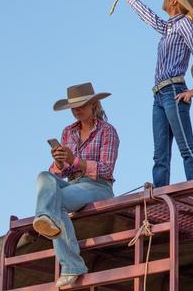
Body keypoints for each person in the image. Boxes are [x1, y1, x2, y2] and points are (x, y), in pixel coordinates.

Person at [116, 0, 193, 190]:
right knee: (160, 152)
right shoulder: (169, 26)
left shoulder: (185, 24)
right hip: (159, 93)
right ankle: (159, 194)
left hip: (174, 90)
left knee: (185, 145)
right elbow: (148, 17)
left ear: (175, 2)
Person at [33, 83, 119, 288]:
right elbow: (60, 173)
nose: (77, 110)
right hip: (73, 184)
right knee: (44, 176)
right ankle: (45, 217)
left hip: (98, 186)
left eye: (81, 105)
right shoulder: (67, 132)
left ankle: (71, 263)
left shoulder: (108, 131)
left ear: (94, 104)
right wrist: (60, 162)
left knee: (57, 201)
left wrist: (75, 161)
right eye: (73, 107)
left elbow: (106, 170)